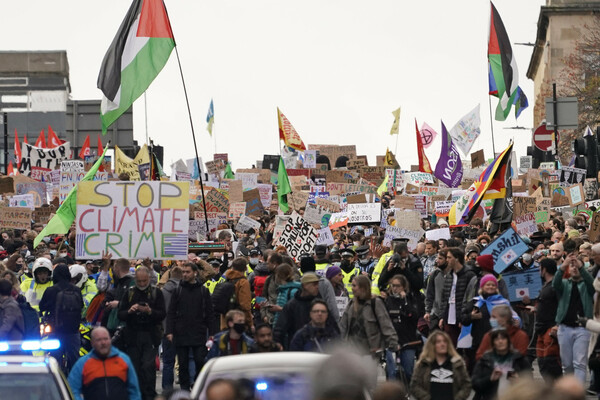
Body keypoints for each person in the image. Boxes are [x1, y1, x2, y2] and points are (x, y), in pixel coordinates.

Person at [117, 266, 166, 400]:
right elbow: (120, 314)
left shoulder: (156, 293)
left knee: (148, 367)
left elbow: (162, 314)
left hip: (150, 335)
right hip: (133, 335)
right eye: (139, 281)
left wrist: (149, 311)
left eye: (144, 281)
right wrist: (130, 311)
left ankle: (149, 395)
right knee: (135, 367)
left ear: (149, 279)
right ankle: (136, 394)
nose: (142, 284)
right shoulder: (129, 293)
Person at [166, 262, 216, 391]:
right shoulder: (178, 290)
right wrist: (170, 331)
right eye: (183, 272)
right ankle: (184, 388)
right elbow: (171, 312)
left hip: (198, 331)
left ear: (195, 273)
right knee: (182, 363)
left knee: (200, 360)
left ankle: (198, 385)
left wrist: (212, 332)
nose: (185, 275)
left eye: (187, 272)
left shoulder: (203, 290)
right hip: (181, 332)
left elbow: (210, 313)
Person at [461, 274, 516, 373]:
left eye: (493, 285)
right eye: (488, 285)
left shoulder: (503, 303)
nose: (490, 287)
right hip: (477, 342)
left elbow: (513, 318)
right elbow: (463, 319)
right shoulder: (475, 303)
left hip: (498, 342)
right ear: (482, 287)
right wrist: (471, 316)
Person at [68, 327, 141, 400]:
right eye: (99, 340)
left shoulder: (124, 360)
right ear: (92, 343)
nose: (103, 343)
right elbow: (72, 389)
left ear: (110, 340)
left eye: (106, 339)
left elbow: (134, 391)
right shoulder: (83, 363)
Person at [553, 252, 594, 383]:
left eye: (577, 266)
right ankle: (570, 391)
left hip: (583, 328)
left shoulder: (587, 285)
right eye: (572, 266)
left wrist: (581, 266)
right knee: (567, 364)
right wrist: (563, 266)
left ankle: (578, 394)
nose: (574, 268)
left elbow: (592, 283)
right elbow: (555, 283)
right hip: (564, 327)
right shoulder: (564, 284)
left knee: (580, 363)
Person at [39, 263, 84, 375]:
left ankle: (57, 380)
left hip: (55, 330)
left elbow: (42, 306)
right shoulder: (76, 290)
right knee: (74, 357)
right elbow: (81, 306)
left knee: (55, 358)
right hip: (73, 330)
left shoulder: (51, 290)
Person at [274, 272, 338, 349]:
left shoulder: (320, 304)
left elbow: (333, 326)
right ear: (304, 285)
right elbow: (279, 328)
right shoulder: (292, 305)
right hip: (298, 350)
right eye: (314, 284)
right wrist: (277, 343)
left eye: (317, 284)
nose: (317, 287)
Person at [339, 275, 399, 356]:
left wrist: (393, 343)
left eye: (354, 285)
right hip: (352, 353)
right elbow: (343, 326)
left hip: (370, 353)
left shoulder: (375, 303)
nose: (352, 288)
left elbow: (386, 324)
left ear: (363, 287)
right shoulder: (351, 304)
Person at [410, 330, 471, 400]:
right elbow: (414, 385)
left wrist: (457, 398)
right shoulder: (424, 364)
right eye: (438, 342)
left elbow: (466, 385)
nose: (442, 344)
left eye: (445, 341)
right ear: (432, 345)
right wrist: (426, 398)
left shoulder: (457, 363)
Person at [472, 328, 531, 400]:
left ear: (508, 341)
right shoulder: (485, 360)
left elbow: (530, 384)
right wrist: (490, 379)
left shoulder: (519, 359)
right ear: (493, 343)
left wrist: (518, 381)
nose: (500, 341)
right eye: (497, 339)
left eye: (503, 338)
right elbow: (475, 384)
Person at [384, 274, 421, 382]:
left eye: (397, 286)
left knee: (408, 372)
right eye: (393, 286)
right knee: (392, 373)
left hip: (408, 340)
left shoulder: (411, 299)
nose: (395, 288)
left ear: (404, 287)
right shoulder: (389, 300)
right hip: (392, 341)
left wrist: (405, 300)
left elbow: (414, 316)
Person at [439, 248, 476, 346]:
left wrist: (464, 317)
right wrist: (443, 316)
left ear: (456, 259)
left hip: (462, 317)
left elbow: (470, 298)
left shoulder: (469, 275)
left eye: (449, 257)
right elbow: (445, 297)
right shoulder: (449, 275)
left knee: (464, 347)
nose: (447, 260)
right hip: (449, 317)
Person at [534, 258, 561, 382]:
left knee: (551, 361)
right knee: (542, 362)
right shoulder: (546, 286)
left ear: (544, 269)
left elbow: (561, 304)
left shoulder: (556, 286)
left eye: (540, 268)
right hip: (541, 328)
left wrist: (558, 325)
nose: (539, 270)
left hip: (550, 328)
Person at [160, 266, 182, 391]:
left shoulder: (163, 291)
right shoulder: (184, 290)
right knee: (184, 360)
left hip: (166, 329)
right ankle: (186, 388)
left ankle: (167, 389)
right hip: (182, 330)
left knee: (168, 363)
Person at [219, 258, 253, 330]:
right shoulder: (243, 282)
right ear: (245, 268)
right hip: (238, 322)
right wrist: (250, 323)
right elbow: (245, 305)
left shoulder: (226, 279)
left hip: (225, 321)